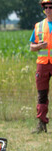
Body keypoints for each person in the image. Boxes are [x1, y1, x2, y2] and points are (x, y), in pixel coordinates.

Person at [29, 0, 52, 134]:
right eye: (46, 7)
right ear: (43, 9)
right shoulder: (38, 26)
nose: (48, 9)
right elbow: (32, 47)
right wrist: (39, 46)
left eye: (51, 7)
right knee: (42, 95)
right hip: (42, 65)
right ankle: (41, 124)